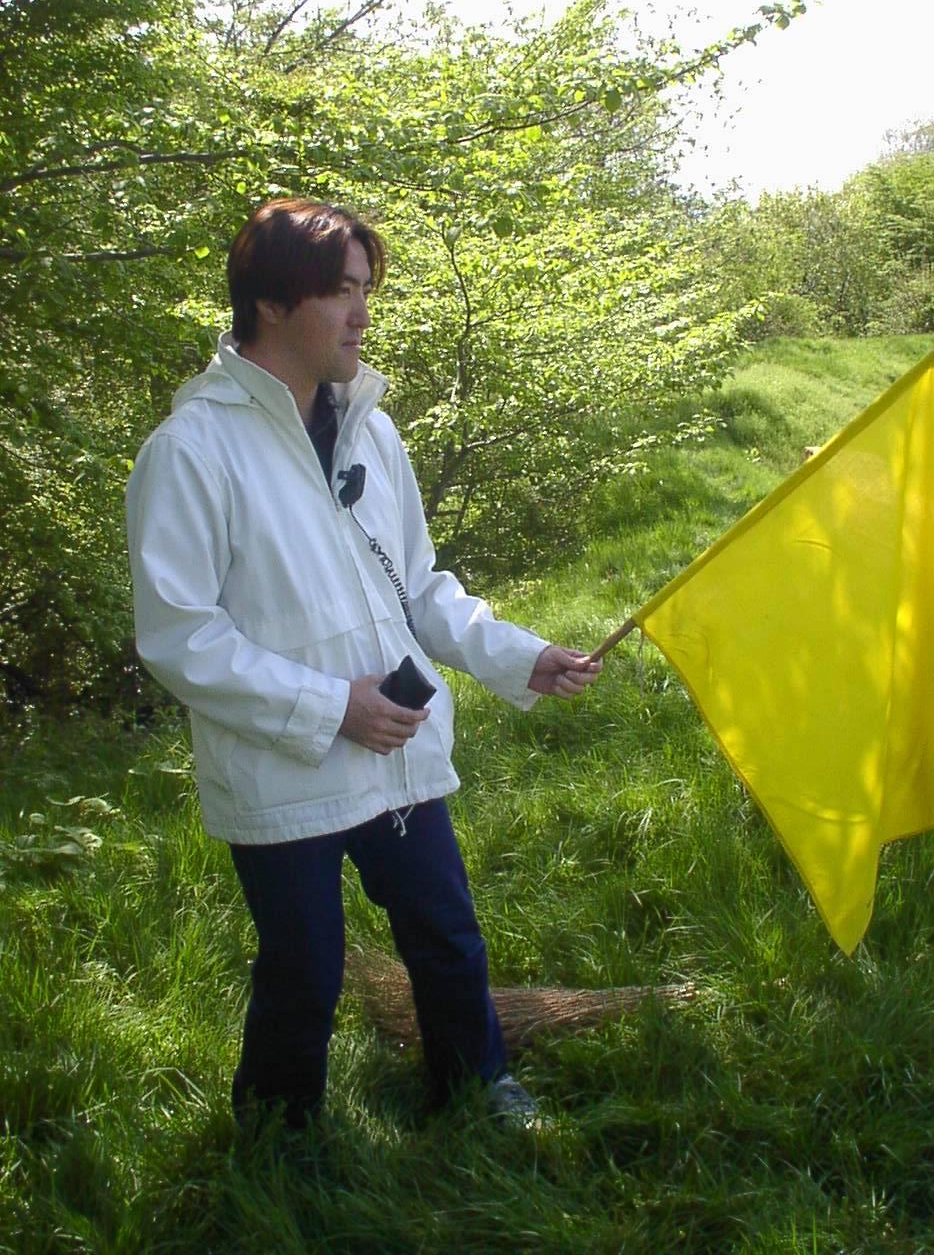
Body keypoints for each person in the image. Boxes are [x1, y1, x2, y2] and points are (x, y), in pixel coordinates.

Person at [125, 197, 601, 1130]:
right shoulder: (191, 451)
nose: (362, 315)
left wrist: (521, 658)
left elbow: (418, 585)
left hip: (396, 751)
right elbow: (180, 637)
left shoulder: (371, 431)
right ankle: (281, 1140)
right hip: (283, 764)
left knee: (447, 936)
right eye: (341, 292)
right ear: (271, 303)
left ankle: (476, 1087)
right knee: (305, 968)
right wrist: (328, 705)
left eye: (365, 291)